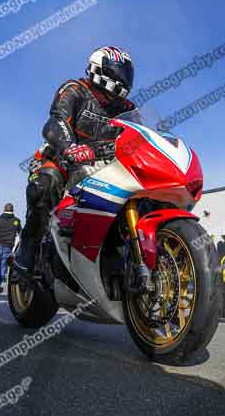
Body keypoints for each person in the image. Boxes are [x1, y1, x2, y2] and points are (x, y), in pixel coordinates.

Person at [13, 46, 141, 286]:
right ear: (98, 69)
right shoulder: (75, 89)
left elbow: (140, 135)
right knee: (43, 186)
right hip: (62, 157)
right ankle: (27, 254)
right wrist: (70, 147)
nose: (123, 80)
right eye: (118, 73)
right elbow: (56, 121)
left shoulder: (127, 108)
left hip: (105, 164)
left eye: (126, 74)